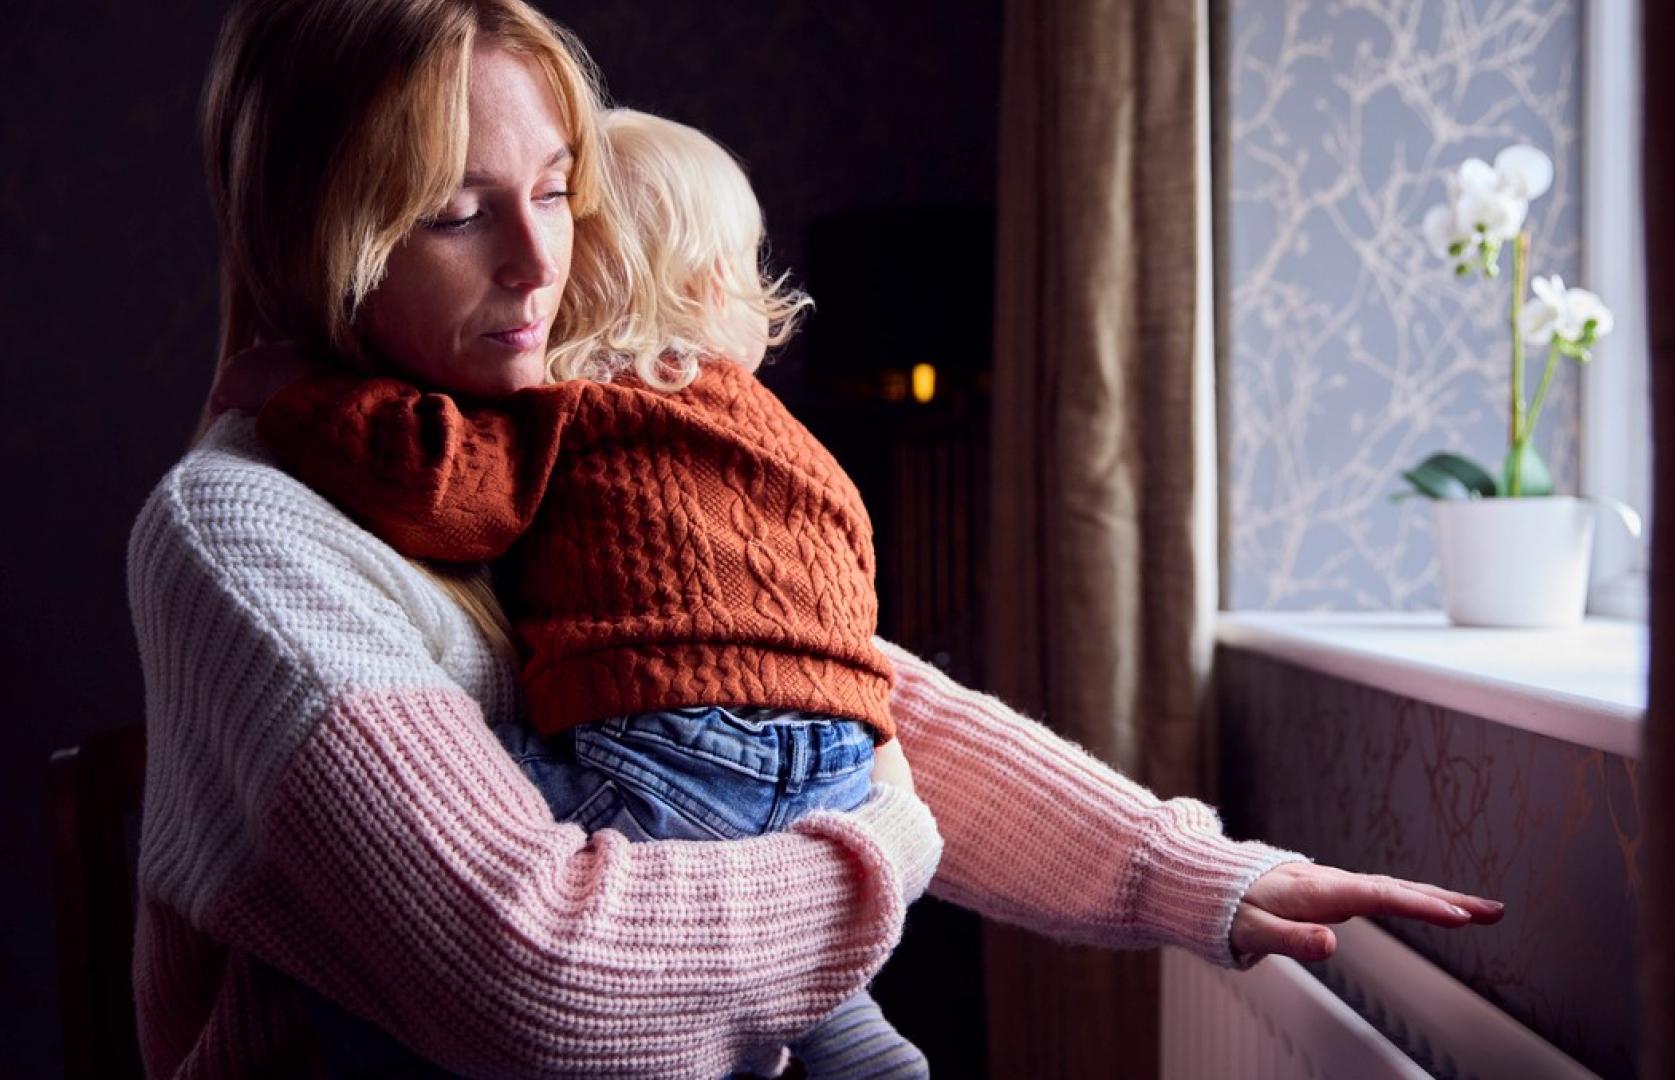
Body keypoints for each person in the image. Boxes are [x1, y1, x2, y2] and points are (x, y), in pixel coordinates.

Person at [130, 1, 1504, 1076]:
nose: (541, 265)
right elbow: (543, 976)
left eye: (555, 189)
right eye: (454, 209)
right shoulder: (247, 529)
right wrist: (883, 843)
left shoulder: (517, 433)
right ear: (327, 240)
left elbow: (822, 687)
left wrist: (1193, 872)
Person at [220, 108, 928, 1077]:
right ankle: (848, 1026)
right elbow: (845, 594)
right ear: (713, 285)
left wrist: (295, 394)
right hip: (845, 757)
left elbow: (434, 482)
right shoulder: (790, 443)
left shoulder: (577, 410)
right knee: (743, 856)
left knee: (385, 897)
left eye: (551, 201)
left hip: (673, 746)